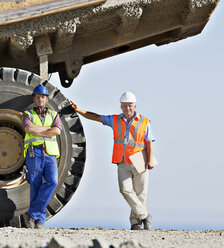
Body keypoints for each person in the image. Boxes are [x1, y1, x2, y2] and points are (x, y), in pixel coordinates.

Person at [71, 91, 155, 230]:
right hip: (122, 161)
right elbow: (96, 117)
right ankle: (145, 215)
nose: (128, 108)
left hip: (140, 159)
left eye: (130, 105)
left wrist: (150, 159)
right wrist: (78, 109)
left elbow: (149, 141)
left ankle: (135, 223)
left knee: (141, 193)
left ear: (134, 106)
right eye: (125, 105)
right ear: (121, 106)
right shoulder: (115, 120)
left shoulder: (144, 122)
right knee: (125, 190)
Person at [22, 84, 62, 229]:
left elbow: (57, 131)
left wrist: (37, 130)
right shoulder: (28, 114)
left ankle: (32, 213)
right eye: (38, 97)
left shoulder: (54, 114)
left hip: (50, 154)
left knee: (52, 182)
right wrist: (47, 129)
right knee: (35, 184)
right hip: (35, 153)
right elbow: (28, 128)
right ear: (34, 98)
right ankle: (38, 220)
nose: (40, 99)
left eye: (43, 97)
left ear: (46, 99)